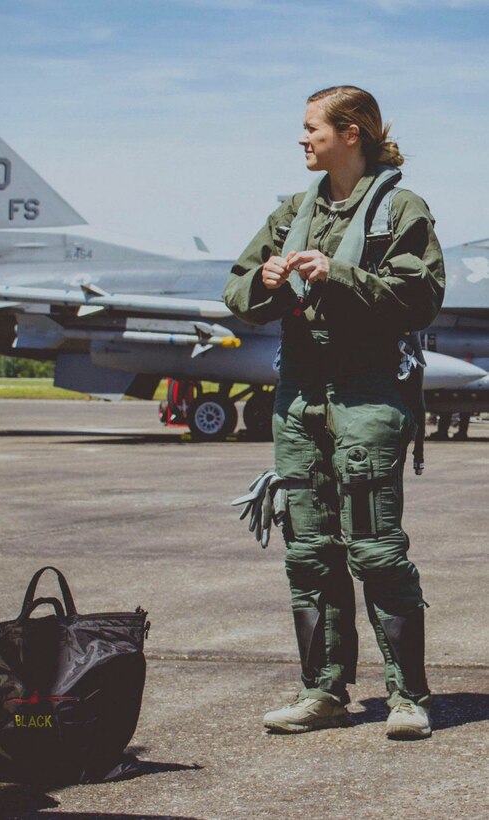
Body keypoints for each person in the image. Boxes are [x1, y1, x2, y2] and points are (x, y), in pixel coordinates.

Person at [223, 86, 445, 739]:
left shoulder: (399, 210)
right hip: (298, 396)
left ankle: (408, 697)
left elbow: (422, 295)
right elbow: (236, 288)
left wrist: (338, 275)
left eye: (312, 127)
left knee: (376, 550)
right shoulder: (292, 212)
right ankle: (322, 691)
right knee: (310, 552)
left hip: (368, 393)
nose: (303, 139)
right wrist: (263, 284)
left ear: (351, 132)